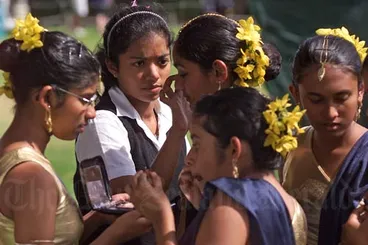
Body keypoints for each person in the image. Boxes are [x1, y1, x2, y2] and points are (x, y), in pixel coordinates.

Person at [144, 13, 307, 244]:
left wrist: (162, 220)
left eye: (183, 73)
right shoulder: (235, 142)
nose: (175, 83)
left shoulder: (231, 202)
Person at [0, 13, 151, 245]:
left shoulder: (16, 157)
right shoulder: (31, 176)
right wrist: (117, 234)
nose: (92, 112)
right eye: (85, 99)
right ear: (47, 97)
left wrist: (98, 217)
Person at [127, 86, 306, 245]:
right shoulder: (289, 202)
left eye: (196, 144)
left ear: (234, 150)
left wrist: (162, 218)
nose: (190, 159)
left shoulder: (230, 207)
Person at [283, 27, 368, 245]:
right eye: (316, 99)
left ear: (360, 91)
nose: (331, 113)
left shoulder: (365, 156)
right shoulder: (289, 145)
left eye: (341, 98)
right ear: (296, 94)